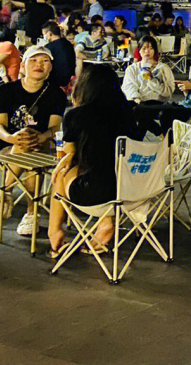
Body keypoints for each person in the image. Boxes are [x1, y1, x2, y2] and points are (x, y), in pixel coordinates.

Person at [47, 63, 140, 256]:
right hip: (134, 189)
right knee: (99, 167)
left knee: (61, 173)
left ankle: (54, 233)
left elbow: (67, 155)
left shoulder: (76, 116)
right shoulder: (128, 113)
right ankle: (105, 222)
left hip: (97, 194)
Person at [0, 46, 68, 235]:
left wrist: (41, 136)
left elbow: (54, 127)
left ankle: (5, 190)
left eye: (45, 61)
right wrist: (12, 138)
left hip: (41, 143)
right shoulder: (5, 90)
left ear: (50, 68)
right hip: (5, 143)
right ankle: (32, 213)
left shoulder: (56, 94)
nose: (39, 65)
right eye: (34, 60)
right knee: (26, 145)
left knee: (31, 145)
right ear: (23, 65)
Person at [122, 35, 176, 105]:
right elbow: (129, 87)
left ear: (155, 50)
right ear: (139, 51)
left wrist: (152, 80)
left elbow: (169, 91)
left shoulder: (163, 68)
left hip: (160, 104)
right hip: (139, 104)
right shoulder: (132, 69)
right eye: (144, 48)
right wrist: (136, 98)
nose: (147, 51)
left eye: (150, 48)